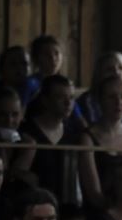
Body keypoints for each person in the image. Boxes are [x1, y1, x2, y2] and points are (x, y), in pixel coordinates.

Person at [78, 73, 122, 210]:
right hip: (100, 212)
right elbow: (93, 193)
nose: (118, 102)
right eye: (111, 97)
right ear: (100, 100)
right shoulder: (87, 139)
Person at [14, 75, 82, 205]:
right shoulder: (27, 132)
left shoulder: (74, 134)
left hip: (65, 206)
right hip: (33, 205)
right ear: (45, 100)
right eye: (60, 97)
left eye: (71, 98)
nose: (68, 103)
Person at [74, 51, 122, 129]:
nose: (116, 72)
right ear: (99, 73)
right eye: (109, 69)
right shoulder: (82, 104)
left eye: (121, 68)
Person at [23, 35, 63, 106]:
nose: (53, 58)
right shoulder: (30, 84)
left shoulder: (64, 84)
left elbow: (77, 113)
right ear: (36, 58)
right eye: (46, 54)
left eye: (56, 53)